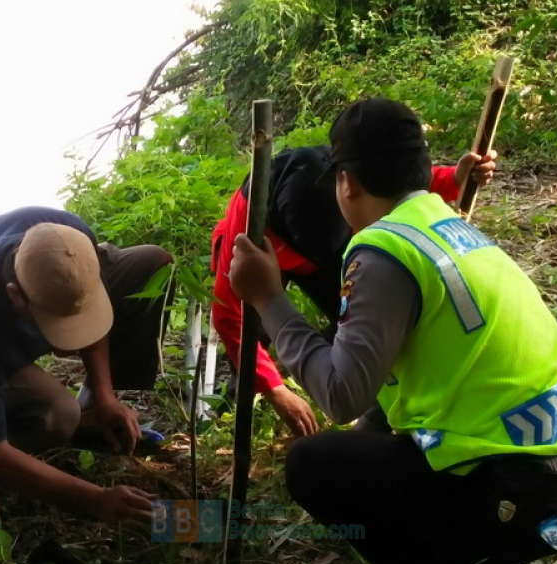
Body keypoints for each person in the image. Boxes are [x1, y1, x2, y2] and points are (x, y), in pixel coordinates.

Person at [229, 98, 557, 564]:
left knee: (312, 464)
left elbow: (340, 394)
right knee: (376, 421)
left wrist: (269, 299)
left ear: (345, 182)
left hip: (522, 488)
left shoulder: (380, 251)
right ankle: (496, 551)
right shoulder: (442, 220)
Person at [0, 206, 172, 525]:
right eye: (57, 323)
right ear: (16, 297)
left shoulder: (66, 239)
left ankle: (92, 414)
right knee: (58, 416)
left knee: (151, 264)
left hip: (2, 318)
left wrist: (104, 395)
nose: (70, 340)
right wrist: (95, 500)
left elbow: (83, 295)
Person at [211, 141, 497, 437]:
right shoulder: (245, 236)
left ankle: (374, 395)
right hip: (278, 249)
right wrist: (276, 390)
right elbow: (228, 317)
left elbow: (397, 191)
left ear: (346, 189)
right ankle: (241, 396)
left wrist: (453, 179)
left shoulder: (349, 176)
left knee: (358, 312)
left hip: (326, 251)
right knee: (253, 328)